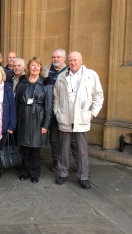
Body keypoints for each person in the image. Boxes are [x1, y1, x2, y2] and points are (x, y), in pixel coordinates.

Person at [54, 51, 104, 189]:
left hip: (82, 118)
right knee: (63, 149)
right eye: (70, 60)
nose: (72, 63)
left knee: (82, 150)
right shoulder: (62, 76)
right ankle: (63, 173)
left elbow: (98, 96)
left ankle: (83, 176)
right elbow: (56, 97)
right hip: (65, 117)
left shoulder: (91, 75)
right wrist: (57, 112)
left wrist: (92, 114)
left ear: (81, 60)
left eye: (75, 60)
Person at [15, 57, 52, 184]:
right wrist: (16, 121)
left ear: (41, 68)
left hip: (38, 118)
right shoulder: (22, 82)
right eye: (33, 65)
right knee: (24, 148)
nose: (35, 68)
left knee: (35, 149)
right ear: (28, 67)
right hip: (23, 118)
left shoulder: (45, 83)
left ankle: (34, 173)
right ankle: (24, 171)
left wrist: (45, 125)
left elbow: (48, 107)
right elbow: (16, 102)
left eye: (38, 65)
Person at [43, 49, 77, 172]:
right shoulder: (46, 69)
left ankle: (80, 164)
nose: (56, 59)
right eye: (54, 57)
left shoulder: (71, 71)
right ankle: (56, 161)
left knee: (73, 139)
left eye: (58, 57)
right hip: (51, 109)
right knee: (54, 138)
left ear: (64, 58)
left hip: (67, 110)